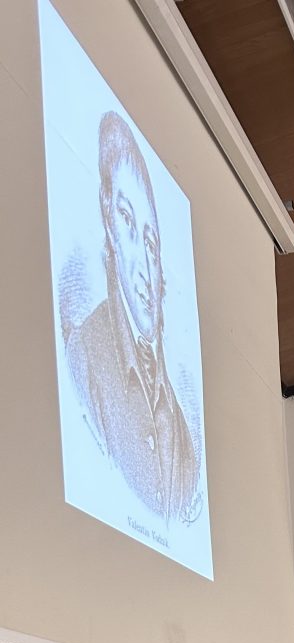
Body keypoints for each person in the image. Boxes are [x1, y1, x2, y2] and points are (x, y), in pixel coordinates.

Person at [65, 111, 199, 521]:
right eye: (126, 220)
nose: (144, 267)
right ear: (107, 219)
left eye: (152, 244)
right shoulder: (84, 356)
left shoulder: (182, 432)